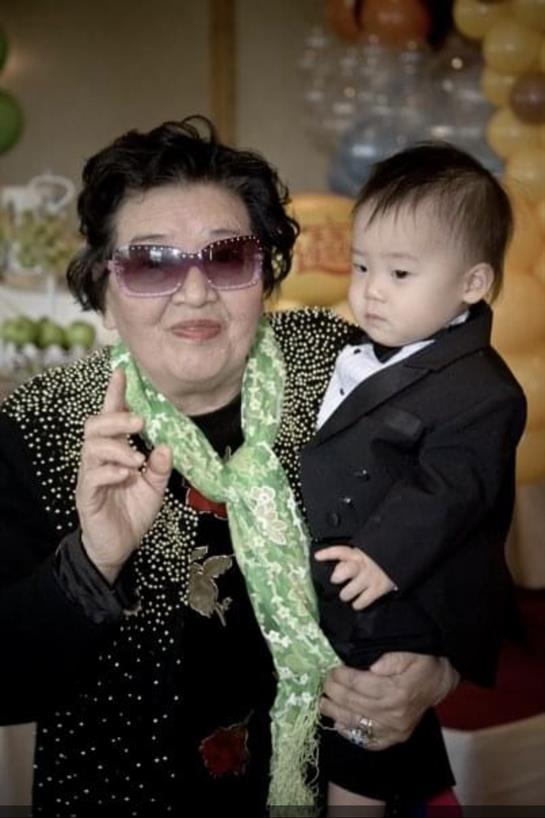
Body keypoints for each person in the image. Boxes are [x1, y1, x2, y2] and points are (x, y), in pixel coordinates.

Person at [0, 118, 459, 818]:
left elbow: (463, 521)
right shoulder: (42, 426)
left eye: (226, 257)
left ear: (265, 273)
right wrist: (92, 562)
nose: (193, 292)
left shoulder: (345, 371)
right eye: (153, 263)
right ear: (105, 287)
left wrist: (439, 669)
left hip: (354, 778)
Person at [299, 142, 527, 815]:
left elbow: (453, 488)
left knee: (362, 743)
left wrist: (385, 554)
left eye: (399, 272)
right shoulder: (351, 348)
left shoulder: (481, 390)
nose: (371, 288)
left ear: (471, 283)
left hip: (394, 605)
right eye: (361, 265)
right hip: (334, 600)